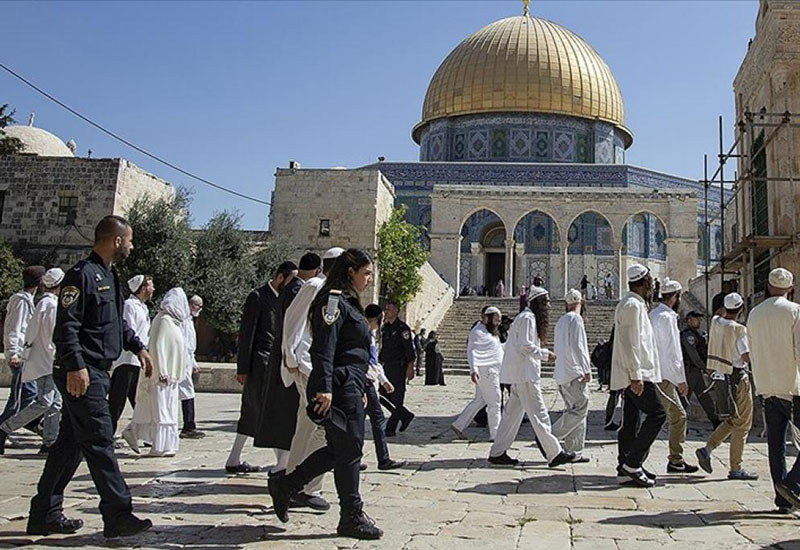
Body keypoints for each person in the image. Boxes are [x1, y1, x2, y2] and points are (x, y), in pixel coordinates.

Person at [28, 215, 153, 538]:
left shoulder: (110, 277)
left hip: (97, 370)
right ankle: (118, 515)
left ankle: (45, 513)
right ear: (115, 240)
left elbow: (114, 324)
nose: (131, 245)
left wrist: (138, 346)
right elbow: (66, 326)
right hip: (84, 372)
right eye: (129, 240)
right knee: (100, 441)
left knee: (70, 445)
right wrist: (75, 366)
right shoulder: (81, 276)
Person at [268, 249, 383, 540]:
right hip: (340, 386)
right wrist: (324, 388)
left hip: (351, 385)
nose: (369, 279)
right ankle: (351, 515)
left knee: (341, 449)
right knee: (350, 448)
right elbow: (325, 349)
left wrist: (362, 388)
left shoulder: (348, 302)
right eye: (366, 272)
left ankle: (288, 486)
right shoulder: (333, 301)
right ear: (350, 271)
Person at [282, 248, 342, 511]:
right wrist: (292, 357)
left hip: (309, 364)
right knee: (320, 427)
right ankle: (308, 487)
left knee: (306, 426)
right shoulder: (320, 287)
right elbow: (294, 321)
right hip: (309, 366)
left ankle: (292, 481)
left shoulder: (323, 287)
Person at [488, 287, 575, 467]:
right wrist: (545, 354)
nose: (549, 305)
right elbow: (524, 346)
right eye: (546, 302)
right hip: (525, 375)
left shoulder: (526, 318)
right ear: (538, 303)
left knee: (511, 416)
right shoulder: (528, 318)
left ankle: (497, 452)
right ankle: (554, 452)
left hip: (521, 374)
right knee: (540, 414)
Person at [227, 261, 298, 474]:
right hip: (259, 363)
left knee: (255, 413)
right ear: (279, 277)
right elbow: (247, 333)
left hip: (273, 364)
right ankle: (283, 463)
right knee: (261, 411)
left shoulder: (284, 300)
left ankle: (234, 459)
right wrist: (243, 368)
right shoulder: (258, 297)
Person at [748, 268, 800, 511]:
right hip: (793, 385)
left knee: (776, 444)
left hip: (766, 384)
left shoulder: (754, 314)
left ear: (768, 286)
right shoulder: (794, 311)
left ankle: (782, 500)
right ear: (790, 288)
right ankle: (792, 484)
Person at [612, 264, 666, 488]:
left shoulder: (634, 304)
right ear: (643, 282)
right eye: (651, 281)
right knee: (657, 414)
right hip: (636, 374)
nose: (653, 285)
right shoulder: (632, 306)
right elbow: (630, 343)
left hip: (635, 373)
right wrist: (635, 376)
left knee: (631, 420)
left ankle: (625, 466)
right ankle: (632, 464)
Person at [0, 268, 64, 454]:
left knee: (54, 402)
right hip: (44, 361)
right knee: (40, 401)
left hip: (45, 360)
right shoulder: (47, 305)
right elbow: (21, 329)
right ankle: (5, 427)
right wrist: (15, 352)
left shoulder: (44, 303)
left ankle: (50, 441)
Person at [695, 292, 758, 481]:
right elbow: (746, 356)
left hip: (720, 378)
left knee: (732, 418)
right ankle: (735, 467)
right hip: (736, 378)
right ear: (741, 309)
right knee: (743, 423)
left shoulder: (716, 323)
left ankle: (707, 449)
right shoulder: (739, 330)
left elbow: (719, 313)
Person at [122, 288, 189, 457]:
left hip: (172, 376)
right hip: (161, 375)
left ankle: (165, 444)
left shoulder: (175, 322)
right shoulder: (163, 319)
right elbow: (158, 345)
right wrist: (162, 370)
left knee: (166, 409)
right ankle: (157, 445)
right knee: (160, 410)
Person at [650, 279, 699, 474]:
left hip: (655, 373)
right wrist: (681, 379)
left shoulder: (653, 314)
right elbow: (672, 351)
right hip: (665, 376)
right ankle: (675, 460)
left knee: (663, 417)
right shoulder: (668, 317)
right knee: (677, 417)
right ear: (677, 297)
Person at [0, 266, 45, 430]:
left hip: (26, 356)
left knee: (26, 394)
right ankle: (3, 427)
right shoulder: (21, 301)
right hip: (19, 356)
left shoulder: (28, 301)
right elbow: (15, 328)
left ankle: (16, 426)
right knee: (24, 395)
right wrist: (13, 353)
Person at [108, 275, 153, 436]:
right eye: (150, 286)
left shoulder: (143, 307)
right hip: (127, 360)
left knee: (139, 400)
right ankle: (107, 433)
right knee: (117, 401)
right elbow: (128, 331)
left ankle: (147, 434)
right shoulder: (129, 306)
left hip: (137, 361)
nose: (152, 289)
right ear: (142, 289)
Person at [451, 306, 504, 440]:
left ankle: (459, 424)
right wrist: (473, 370)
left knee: (480, 400)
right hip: (486, 372)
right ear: (487, 318)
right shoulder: (477, 332)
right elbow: (473, 351)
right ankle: (496, 435)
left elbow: (496, 349)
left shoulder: (489, 332)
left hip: (491, 371)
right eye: (496, 319)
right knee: (495, 402)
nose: (498, 323)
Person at [363, 304, 405, 470]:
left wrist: (383, 380)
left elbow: (374, 362)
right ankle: (383, 459)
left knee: (364, 421)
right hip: (365, 382)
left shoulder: (371, 334)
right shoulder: (364, 334)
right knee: (376, 418)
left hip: (370, 381)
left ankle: (360, 458)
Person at [552, 289, 591, 461]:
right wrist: (586, 369)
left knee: (573, 410)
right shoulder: (576, 319)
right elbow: (579, 346)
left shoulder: (561, 321)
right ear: (580, 302)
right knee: (581, 408)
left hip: (562, 373)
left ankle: (574, 451)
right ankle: (550, 437)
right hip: (574, 373)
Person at [380, 301, 416, 436]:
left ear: (396, 311)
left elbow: (409, 350)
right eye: (386, 309)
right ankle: (405, 415)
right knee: (382, 395)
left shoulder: (402, 329)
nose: (387, 311)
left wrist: (410, 367)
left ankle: (390, 428)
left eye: (389, 309)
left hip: (399, 367)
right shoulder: (386, 328)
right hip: (386, 366)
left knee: (396, 397)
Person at [680, 311, 720, 428]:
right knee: (684, 399)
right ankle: (678, 425)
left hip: (696, 372)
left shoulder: (697, 335)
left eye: (700, 319)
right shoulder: (688, 336)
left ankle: (715, 422)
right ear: (689, 320)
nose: (699, 321)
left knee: (704, 397)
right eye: (696, 319)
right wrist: (705, 367)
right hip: (689, 371)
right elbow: (693, 355)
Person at [178, 295, 204, 439]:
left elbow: (190, 345)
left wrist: (193, 362)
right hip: (181, 361)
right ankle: (188, 426)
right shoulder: (182, 319)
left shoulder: (189, 320)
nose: (199, 309)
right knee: (187, 392)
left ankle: (189, 425)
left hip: (187, 360)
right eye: (197, 306)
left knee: (188, 392)